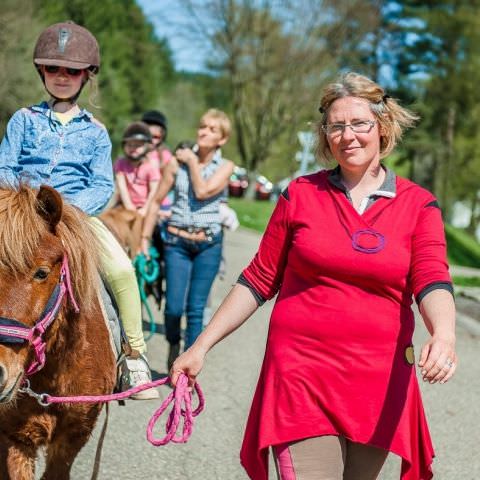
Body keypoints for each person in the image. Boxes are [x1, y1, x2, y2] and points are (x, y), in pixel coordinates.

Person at [169, 72, 457, 480]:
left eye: (360, 123)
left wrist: (443, 334)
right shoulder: (300, 194)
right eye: (336, 126)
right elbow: (258, 279)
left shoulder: (418, 205)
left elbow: (432, 279)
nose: (348, 135)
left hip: (378, 382)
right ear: (325, 135)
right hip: (300, 373)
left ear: (383, 127)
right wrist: (201, 345)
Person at [0, 21, 158, 400]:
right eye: (54, 69)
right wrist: (17, 205)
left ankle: (134, 355)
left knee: (121, 271)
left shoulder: (96, 132)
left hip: (74, 218)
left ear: (86, 75)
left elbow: (102, 185)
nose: (62, 77)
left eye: (71, 71)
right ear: (42, 71)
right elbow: (5, 166)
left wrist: (69, 215)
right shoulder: (24, 120)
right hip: (19, 217)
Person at [141, 109, 235, 370]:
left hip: (208, 244)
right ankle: (173, 342)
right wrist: (145, 240)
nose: (204, 132)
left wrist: (192, 162)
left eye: (212, 130)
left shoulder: (225, 167)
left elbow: (204, 191)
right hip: (177, 243)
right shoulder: (175, 163)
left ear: (222, 140)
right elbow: (156, 200)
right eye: (202, 126)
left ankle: (186, 369)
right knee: (172, 308)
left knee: (195, 310)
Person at [114, 121, 159, 216]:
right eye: (129, 145)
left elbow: (154, 191)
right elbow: (122, 187)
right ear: (124, 146)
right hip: (125, 205)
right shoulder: (120, 163)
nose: (133, 148)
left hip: (146, 206)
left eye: (138, 145)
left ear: (147, 146)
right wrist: (129, 207)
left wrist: (145, 209)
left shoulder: (150, 166)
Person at [141, 110, 173, 219]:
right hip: (139, 200)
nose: (151, 140)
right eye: (148, 136)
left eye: (155, 137)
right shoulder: (136, 153)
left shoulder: (165, 156)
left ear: (162, 137)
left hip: (160, 202)